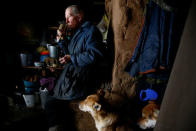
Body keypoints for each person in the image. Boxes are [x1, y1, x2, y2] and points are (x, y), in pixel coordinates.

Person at [45, 5, 104, 131]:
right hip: (72, 77)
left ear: (79, 17)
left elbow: (94, 55)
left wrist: (71, 58)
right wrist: (61, 41)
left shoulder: (91, 31)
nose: (66, 21)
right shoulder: (78, 32)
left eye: (68, 17)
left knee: (51, 103)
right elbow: (71, 52)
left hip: (81, 79)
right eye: (65, 18)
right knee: (50, 99)